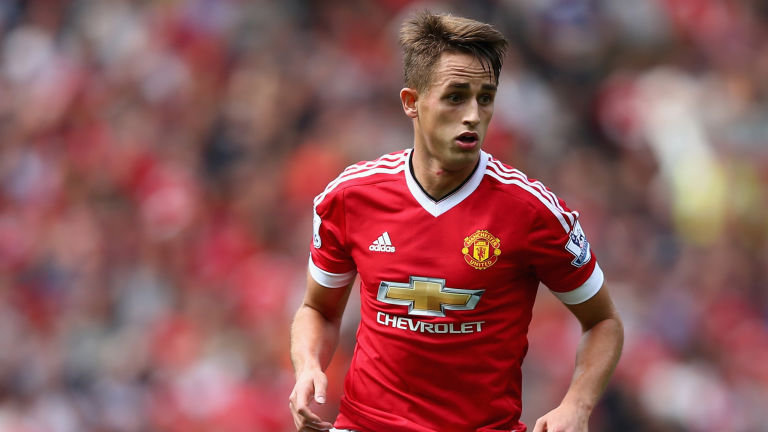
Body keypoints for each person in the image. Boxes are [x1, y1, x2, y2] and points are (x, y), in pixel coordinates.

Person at [289, 11, 623, 432]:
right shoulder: (350, 197)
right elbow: (318, 309)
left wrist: (576, 406)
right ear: (411, 102)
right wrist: (308, 366)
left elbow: (603, 321)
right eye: (455, 97)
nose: (473, 115)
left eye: (485, 98)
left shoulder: (532, 211)